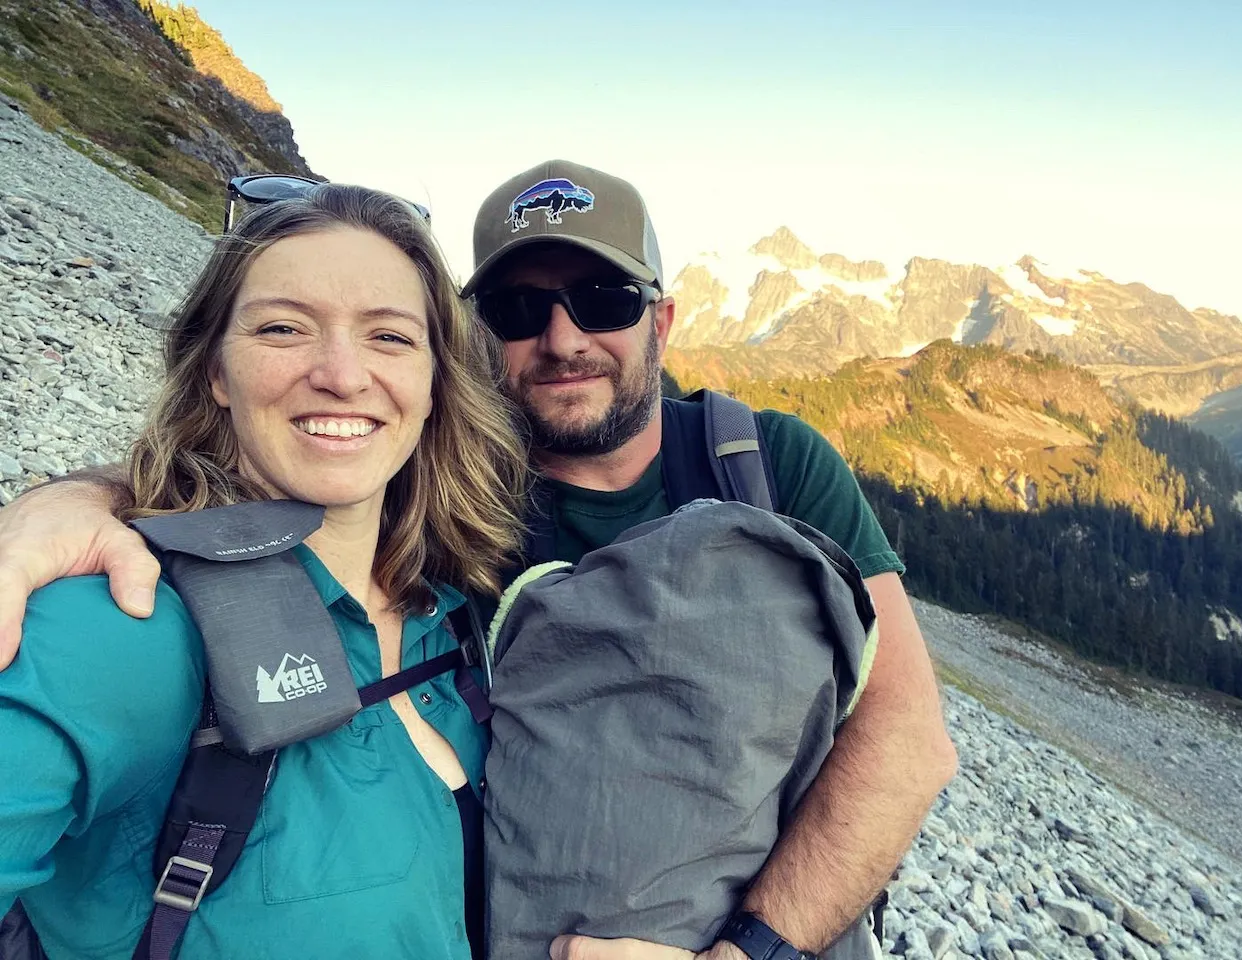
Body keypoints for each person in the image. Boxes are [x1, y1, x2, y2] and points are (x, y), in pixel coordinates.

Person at [0, 161, 957, 959]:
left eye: (604, 299)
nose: (563, 339)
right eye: (517, 307)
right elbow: (295, 454)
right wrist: (72, 503)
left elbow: (906, 739)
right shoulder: (458, 499)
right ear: (473, 341)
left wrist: (752, 953)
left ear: (662, 322)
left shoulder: (766, 463)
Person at [0, 184, 527, 959]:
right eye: (283, 328)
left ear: (433, 384)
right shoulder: (126, 624)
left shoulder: (452, 616)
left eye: (389, 337)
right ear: (216, 370)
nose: (343, 375)